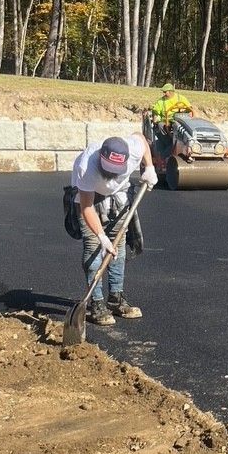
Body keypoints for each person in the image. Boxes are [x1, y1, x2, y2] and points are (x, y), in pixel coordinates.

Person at [72, 133, 158, 326]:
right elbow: (86, 207)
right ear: (101, 158)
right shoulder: (86, 167)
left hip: (119, 198)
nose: (111, 173)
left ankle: (115, 298)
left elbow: (141, 139)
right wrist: (102, 238)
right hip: (90, 199)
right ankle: (96, 303)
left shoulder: (133, 149)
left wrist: (149, 167)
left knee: (117, 248)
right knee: (94, 249)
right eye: (108, 168)